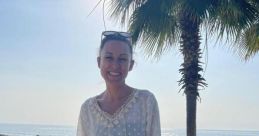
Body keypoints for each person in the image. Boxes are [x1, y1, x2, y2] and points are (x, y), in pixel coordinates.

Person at [76, 31, 161, 136]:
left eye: (122, 59)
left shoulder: (146, 101)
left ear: (131, 65)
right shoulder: (88, 109)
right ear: (99, 62)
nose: (115, 65)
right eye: (109, 57)